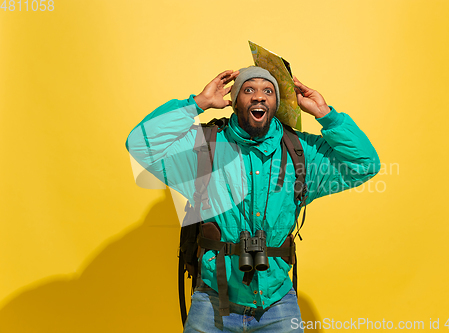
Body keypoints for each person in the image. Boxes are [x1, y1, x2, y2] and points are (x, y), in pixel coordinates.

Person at [125, 66, 380, 332]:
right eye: (249, 90)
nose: (259, 97)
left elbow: (365, 164)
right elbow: (140, 144)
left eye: (268, 91)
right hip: (213, 300)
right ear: (234, 101)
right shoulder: (205, 147)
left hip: (277, 302)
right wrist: (196, 104)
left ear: (276, 104)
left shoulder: (301, 154)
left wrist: (326, 116)